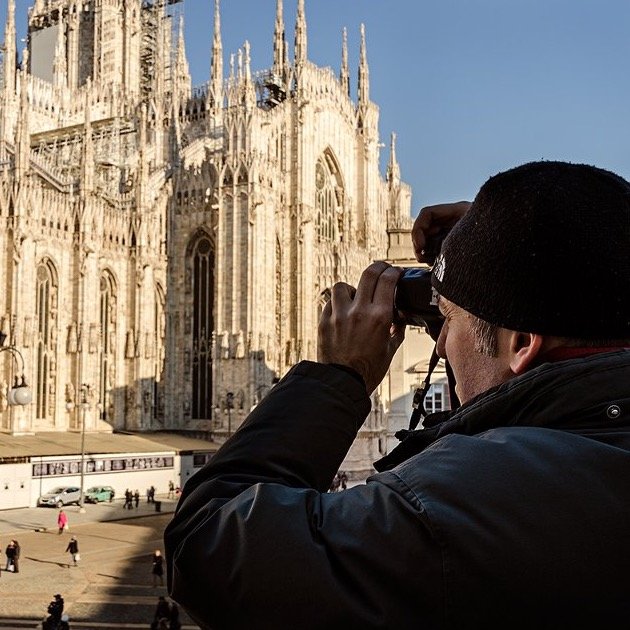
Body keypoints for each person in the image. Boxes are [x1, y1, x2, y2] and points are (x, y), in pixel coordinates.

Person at [164, 161, 630, 628]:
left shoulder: (458, 508)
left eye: (449, 319)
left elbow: (205, 544)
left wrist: (339, 375)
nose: (441, 342)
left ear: (523, 343)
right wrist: (518, 245)